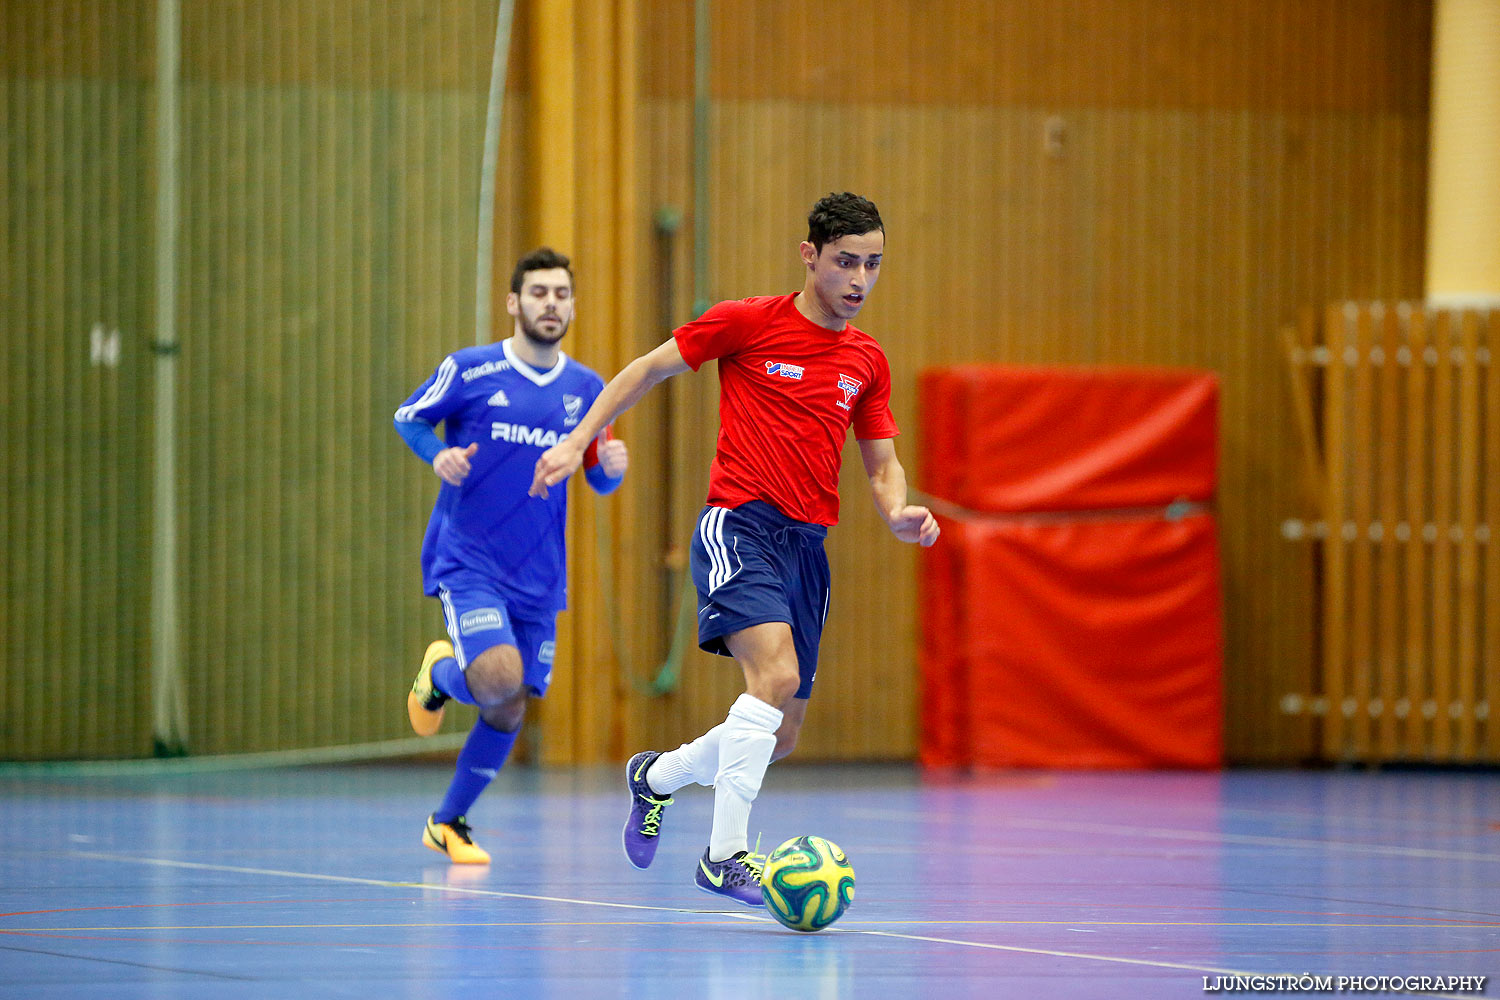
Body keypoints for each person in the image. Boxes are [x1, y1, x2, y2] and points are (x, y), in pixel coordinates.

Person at [530, 193, 938, 905]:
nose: (860, 280)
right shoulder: (749, 322)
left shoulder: (867, 361)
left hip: (807, 549)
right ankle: (725, 856)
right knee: (773, 677)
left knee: (780, 734)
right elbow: (645, 370)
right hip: (738, 525)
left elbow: (880, 462)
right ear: (810, 257)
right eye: (847, 262)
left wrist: (898, 510)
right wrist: (576, 439)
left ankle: (654, 777)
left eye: (873, 265)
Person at [394, 247, 627, 864]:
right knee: (493, 677)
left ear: (572, 305)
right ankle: (439, 675)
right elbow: (410, 418)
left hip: (539, 574)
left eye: (561, 294)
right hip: (468, 561)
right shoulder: (470, 372)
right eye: (539, 293)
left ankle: (448, 822)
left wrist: (610, 470)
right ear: (514, 302)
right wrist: (435, 455)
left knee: (510, 701)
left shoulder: (588, 389)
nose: (550, 304)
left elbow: (597, 480)